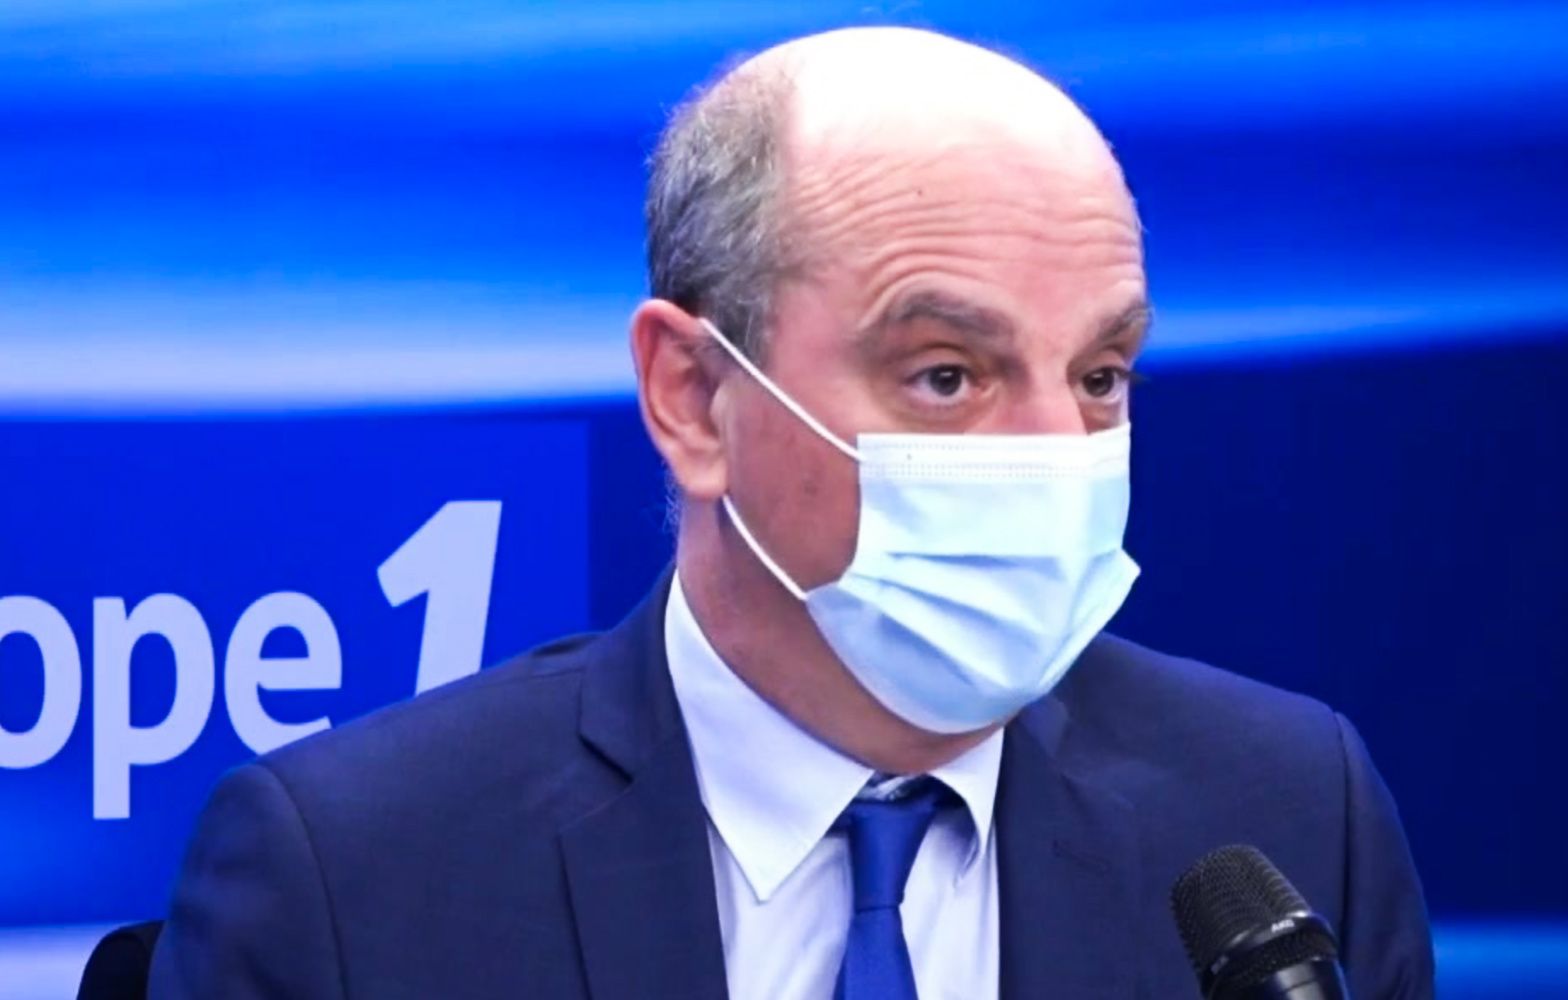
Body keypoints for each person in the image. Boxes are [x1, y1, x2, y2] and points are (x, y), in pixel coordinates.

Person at [150, 26, 1434, 999]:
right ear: (694, 398)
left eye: (1099, 377)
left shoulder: (1282, 813)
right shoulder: (353, 879)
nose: (1058, 456)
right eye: (947, 375)